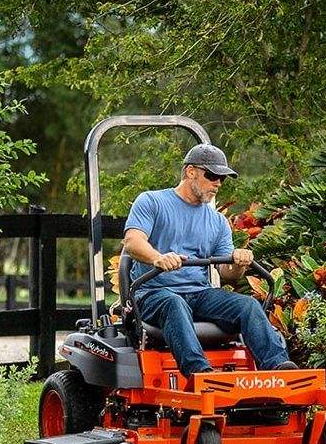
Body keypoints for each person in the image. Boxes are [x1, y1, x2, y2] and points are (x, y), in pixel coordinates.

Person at [123, 143, 297, 375]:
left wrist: (238, 262)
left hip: (199, 294)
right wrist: (158, 258)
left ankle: (278, 367)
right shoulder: (152, 202)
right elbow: (132, 242)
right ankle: (200, 374)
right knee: (174, 303)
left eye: (222, 179)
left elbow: (228, 274)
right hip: (154, 294)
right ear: (190, 172)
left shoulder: (217, 222)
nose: (218, 183)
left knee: (247, 305)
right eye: (212, 176)